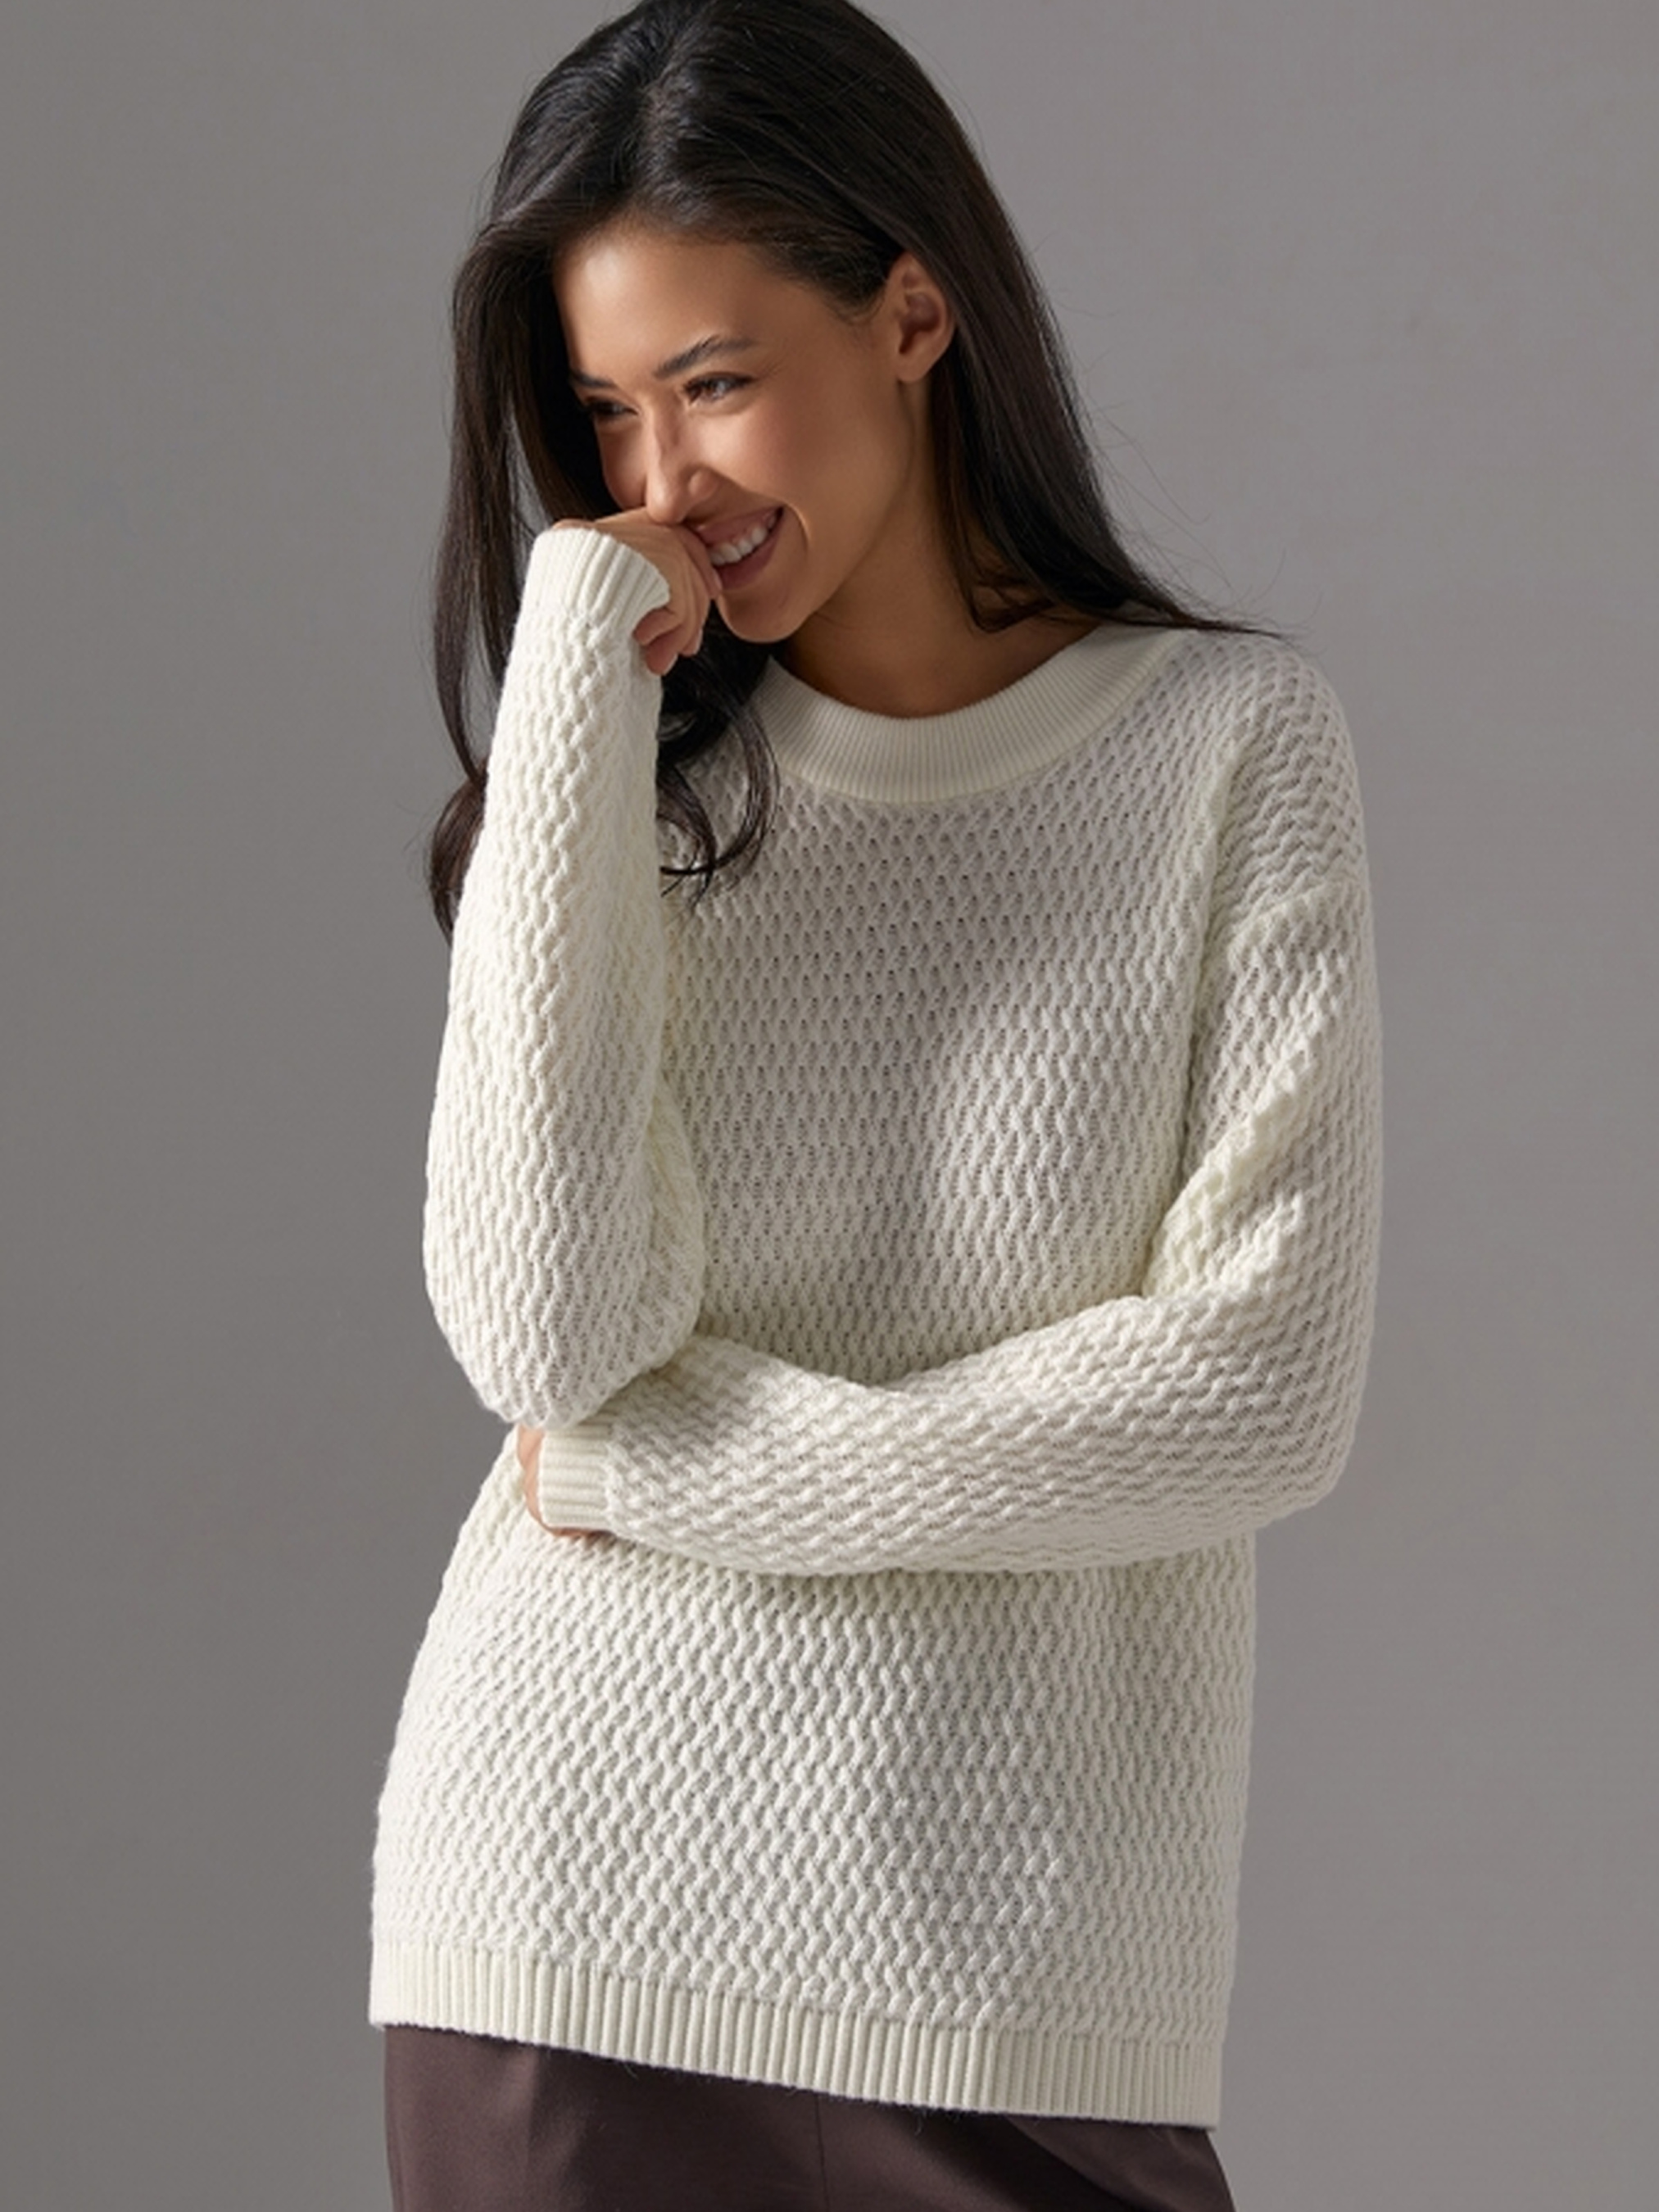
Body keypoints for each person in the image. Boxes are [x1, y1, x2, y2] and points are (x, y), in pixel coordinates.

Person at [369, 1, 1383, 2205]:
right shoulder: (629, 784)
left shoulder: (1226, 750)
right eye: (605, 415)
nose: (664, 486)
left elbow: (1256, 1394)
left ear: (911, 314)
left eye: (714, 382)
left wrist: (672, 1465)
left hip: (1028, 1962)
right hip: (570, 1919)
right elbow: (546, 1335)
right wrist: (573, 678)